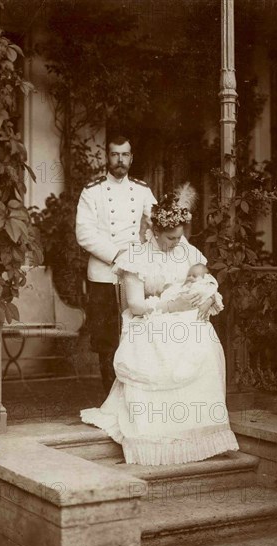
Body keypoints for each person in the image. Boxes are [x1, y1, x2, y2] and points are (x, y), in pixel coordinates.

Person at [81, 185, 239, 466]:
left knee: (202, 335)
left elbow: (206, 281)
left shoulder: (188, 252)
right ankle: (159, 437)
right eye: (170, 238)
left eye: (180, 236)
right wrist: (169, 307)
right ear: (154, 232)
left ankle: (196, 431)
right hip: (149, 318)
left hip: (185, 317)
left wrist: (209, 298)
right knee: (161, 341)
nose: (177, 242)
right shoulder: (137, 257)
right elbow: (136, 306)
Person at [75, 135, 156, 392]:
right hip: (103, 273)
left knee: (136, 333)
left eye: (124, 155)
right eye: (114, 154)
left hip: (135, 273)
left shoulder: (142, 190)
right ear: (106, 157)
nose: (120, 160)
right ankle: (108, 395)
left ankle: (134, 394)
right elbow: (84, 233)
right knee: (106, 338)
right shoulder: (92, 191)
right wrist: (117, 255)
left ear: (131, 158)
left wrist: (144, 251)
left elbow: (160, 224)